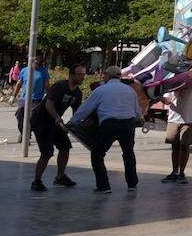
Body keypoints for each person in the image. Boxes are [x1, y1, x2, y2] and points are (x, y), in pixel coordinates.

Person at [72, 65, 142, 193]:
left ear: (108, 76)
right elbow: (137, 112)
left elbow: (85, 109)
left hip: (110, 124)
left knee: (97, 154)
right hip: (128, 124)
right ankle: (132, 184)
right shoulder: (130, 90)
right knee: (128, 153)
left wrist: (73, 122)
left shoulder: (101, 90)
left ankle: (103, 186)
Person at [29, 64, 87, 192]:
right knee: (47, 152)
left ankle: (60, 176)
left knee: (65, 146)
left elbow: (77, 112)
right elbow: (49, 103)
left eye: (84, 74)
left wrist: (76, 124)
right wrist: (57, 117)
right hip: (41, 121)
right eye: (80, 74)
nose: (82, 77)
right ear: (71, 75)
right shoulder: (60, 86)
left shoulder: (77, 93)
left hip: (55, 123)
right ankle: (36, 181)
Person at [162, 65, 192, 185]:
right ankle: (174, 172)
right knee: (175, 147)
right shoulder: (173, 81)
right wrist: (161, 98)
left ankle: (181, 173)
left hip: (189, 119)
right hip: (174, 118)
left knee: (185, 146)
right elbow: (166, 97)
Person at [13, 61, 50, 142]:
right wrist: (13, 96)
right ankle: (23, 133)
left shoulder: (43, 72)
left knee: (33, 117)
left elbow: (47, 85)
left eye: (37, 59)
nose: (36, 61)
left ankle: (27, 134)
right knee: (19, 115)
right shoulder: (24, 70)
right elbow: (19, 84)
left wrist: (50, 97)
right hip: (24, 98)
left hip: (36, 99)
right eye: (34, 59)